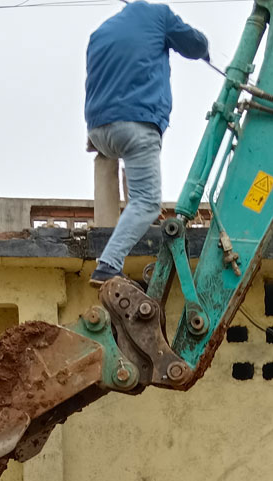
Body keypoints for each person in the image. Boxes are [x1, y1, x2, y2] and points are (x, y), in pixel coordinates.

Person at [84, 1, 210, 286]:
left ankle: (116, 228)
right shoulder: (159, 16)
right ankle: (108, 264)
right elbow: (194, 44)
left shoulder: (100, 33)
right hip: (136, 124)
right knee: (148, 201)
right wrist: (205, 50)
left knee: (124, 166)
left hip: (99, 130)